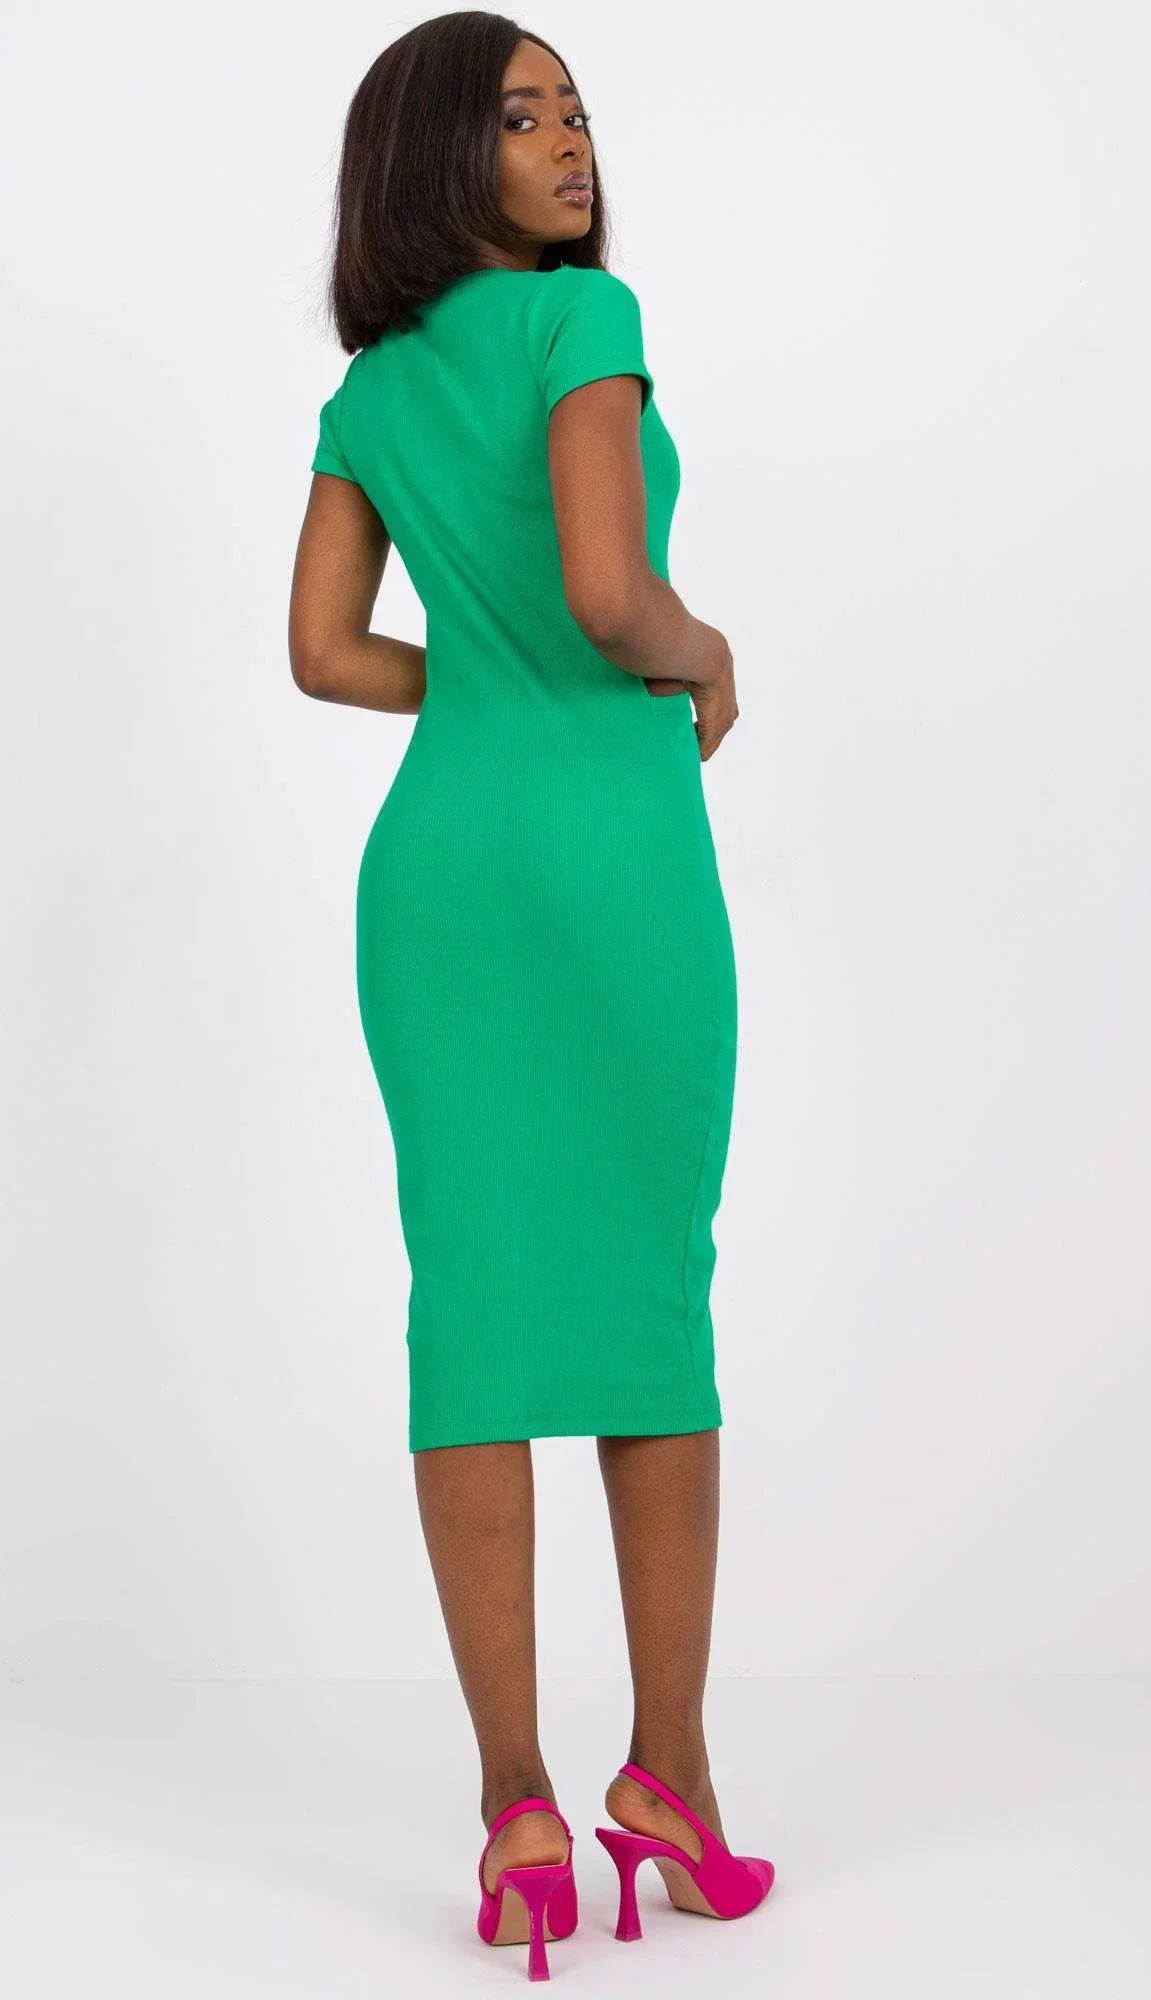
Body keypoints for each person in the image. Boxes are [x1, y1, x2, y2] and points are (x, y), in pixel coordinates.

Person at [286, 12, 773, 1977]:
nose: (570, 142)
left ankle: (515, 1812)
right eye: (520, 116)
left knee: (472, 1310)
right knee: (651, 1300)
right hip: (605, 853)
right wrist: (701, 649)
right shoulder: (588, 321)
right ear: (437, 156)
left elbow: (325, 653)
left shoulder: (372, 393)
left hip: (441, 868)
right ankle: (673, 1779)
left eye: (575, 111)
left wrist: (475, 690)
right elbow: (604, 590)